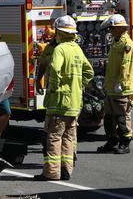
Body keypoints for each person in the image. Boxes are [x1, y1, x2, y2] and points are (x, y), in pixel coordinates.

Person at [34, 16, 93, 181]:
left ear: (59, 31)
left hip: (59, 102)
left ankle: (52, 173)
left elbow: (54, 69)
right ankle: (66, 170)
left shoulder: (60, 49)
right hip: (74, 103)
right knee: (68, 137)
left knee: (53, 137)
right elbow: (89, 72)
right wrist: (78, 85)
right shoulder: (77, 49)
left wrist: (54, 88)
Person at [97, 14, 133, 154]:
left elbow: (126, 66)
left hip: (121, 88)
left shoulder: (127, 45)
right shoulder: (116, 42)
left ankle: (125, 143)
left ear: (120, 28)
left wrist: (121, 83)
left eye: (112, 28)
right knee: (109, 117)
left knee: (122, 117)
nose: (110, 31)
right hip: (112, 87)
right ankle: (112, 140)